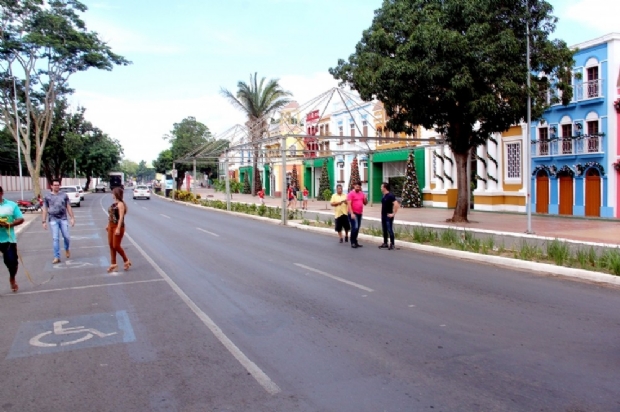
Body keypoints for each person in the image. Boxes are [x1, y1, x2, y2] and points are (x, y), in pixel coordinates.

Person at [42, 178, 75, 264]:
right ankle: (57, 257)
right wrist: (43, 221)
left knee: (66, 236)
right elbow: (45, 209)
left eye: (58, 185)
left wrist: (72, 218)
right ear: (51, 186)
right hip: (53, 219)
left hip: (63, 218)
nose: (56, 187)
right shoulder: (47, 196)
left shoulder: (64, 195)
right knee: (55, 238)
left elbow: (68, 206)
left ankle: (67, 248)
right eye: (55, 185)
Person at [0, 186, 25, 292]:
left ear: (1, 193)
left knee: (12, 262)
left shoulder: (11, 205)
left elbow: (20, 219)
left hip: (8, 240)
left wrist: (10, 224)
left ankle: (12, 278)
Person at [107, 187, 131, 273]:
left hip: (118, 227)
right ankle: (113, 264)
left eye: (113, 193)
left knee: (116, 245)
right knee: (111, 245)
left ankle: (126, 260)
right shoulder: (114, 204)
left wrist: (118, 228)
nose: (112, 194)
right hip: (111, 226)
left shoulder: (120, 204)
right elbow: (111, 216)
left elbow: (121, 217)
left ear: (116, 194)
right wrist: (108, 225)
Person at [379, 182, 399, 250]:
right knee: (384, 229)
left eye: (381, 187)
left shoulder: (390, 195)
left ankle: (392, 244)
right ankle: (385, 243)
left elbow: (396, 204)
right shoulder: (383, 195)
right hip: (383, 215)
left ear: (385, 188)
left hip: (388, 216)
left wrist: (393, 214)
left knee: (389, 229)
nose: (380, 188)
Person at [347, 180, 367, 249]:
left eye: (359, 186)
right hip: (353, 213)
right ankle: (352, 242)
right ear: (354, 186)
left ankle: (355, 241)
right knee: (355, 227)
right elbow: (349, 204)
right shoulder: (351, 194)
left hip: (359, 213)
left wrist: (365, 198)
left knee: (357, 228)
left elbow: (365, 203)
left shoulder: (362, 194)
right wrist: (352, 213)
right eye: (356, 186)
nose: (358, 187)